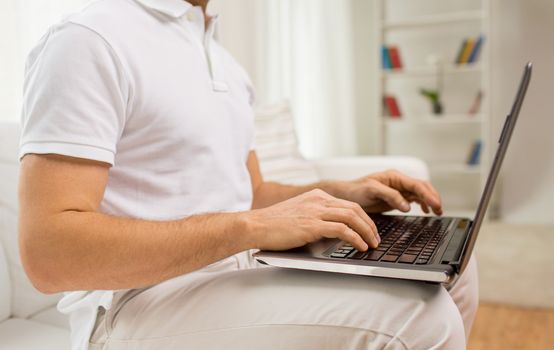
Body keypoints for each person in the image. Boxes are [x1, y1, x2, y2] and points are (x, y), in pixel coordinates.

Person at [18, 0, 478, 349]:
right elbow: (50, 254)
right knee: (419, 317)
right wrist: (250, 228)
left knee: (452, 270)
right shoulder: (87, 38)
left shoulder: (224, 60)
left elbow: (250, 191)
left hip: (237, 272)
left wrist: (343, 194)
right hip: (131, 307)